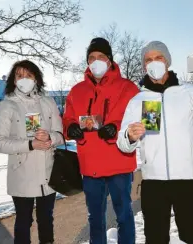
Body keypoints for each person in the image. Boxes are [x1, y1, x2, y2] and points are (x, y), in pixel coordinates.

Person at [116, 41, 193, 244]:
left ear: (167, 61)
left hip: (188, 180)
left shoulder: (189, 93)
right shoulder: (137, 100)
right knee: (156, 239)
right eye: (148, 60)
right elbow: (122, 142)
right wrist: (130, 136)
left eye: (158, 57)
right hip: (154, 182)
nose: (154, 63)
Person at [62, 37, 140, 243]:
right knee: (95, 219)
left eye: (101, 57)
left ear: (110, 60)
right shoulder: (76, 91)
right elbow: (67, 118)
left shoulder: (128, 88)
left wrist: (115, 127)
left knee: (124, 215)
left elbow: (136, 119)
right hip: (90, 166)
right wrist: (70, 128)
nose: (96, 61)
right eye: (91, 57)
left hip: (119, 163)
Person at [0, 60, 64, 244]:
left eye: (29, 75)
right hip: (21, 174)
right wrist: (30, 144)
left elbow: (61, 135)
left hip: (48, 173)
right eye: (19, 75)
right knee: (24, 221)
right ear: (13, 80)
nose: (24, 79)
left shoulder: (48, 102)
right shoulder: (7, 106)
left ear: (37, 78)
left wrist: (50, 138)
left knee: (46, 219)